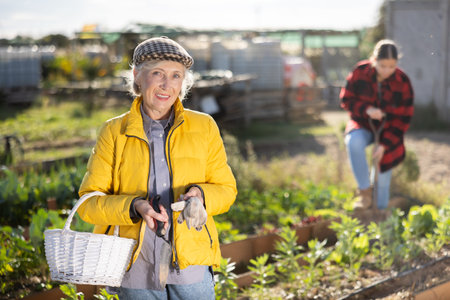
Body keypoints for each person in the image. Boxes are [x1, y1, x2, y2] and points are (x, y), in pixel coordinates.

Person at [77, 36, 237, 299]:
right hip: (136, 263)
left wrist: (200, 196)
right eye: (157, 73)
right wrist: (134, 207)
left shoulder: (204, 126)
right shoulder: (113, 132)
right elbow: (88, 203)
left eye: (176, 76)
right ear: (137, 76)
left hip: (191, 262)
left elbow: (226, 190)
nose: (167, 85)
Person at [340, 39, 414, 210]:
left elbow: (403, 118)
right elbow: (346, 99)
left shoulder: (403, 81)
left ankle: (380, 213)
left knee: (383, 174)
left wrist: (384, 144)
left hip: (389, 131)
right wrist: (366, 109)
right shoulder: (360, 72)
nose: (387, 71)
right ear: (374, 60)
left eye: (392, 66)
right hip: (363, 125)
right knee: (353, 143)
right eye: (383, 66)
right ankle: (364, 193)